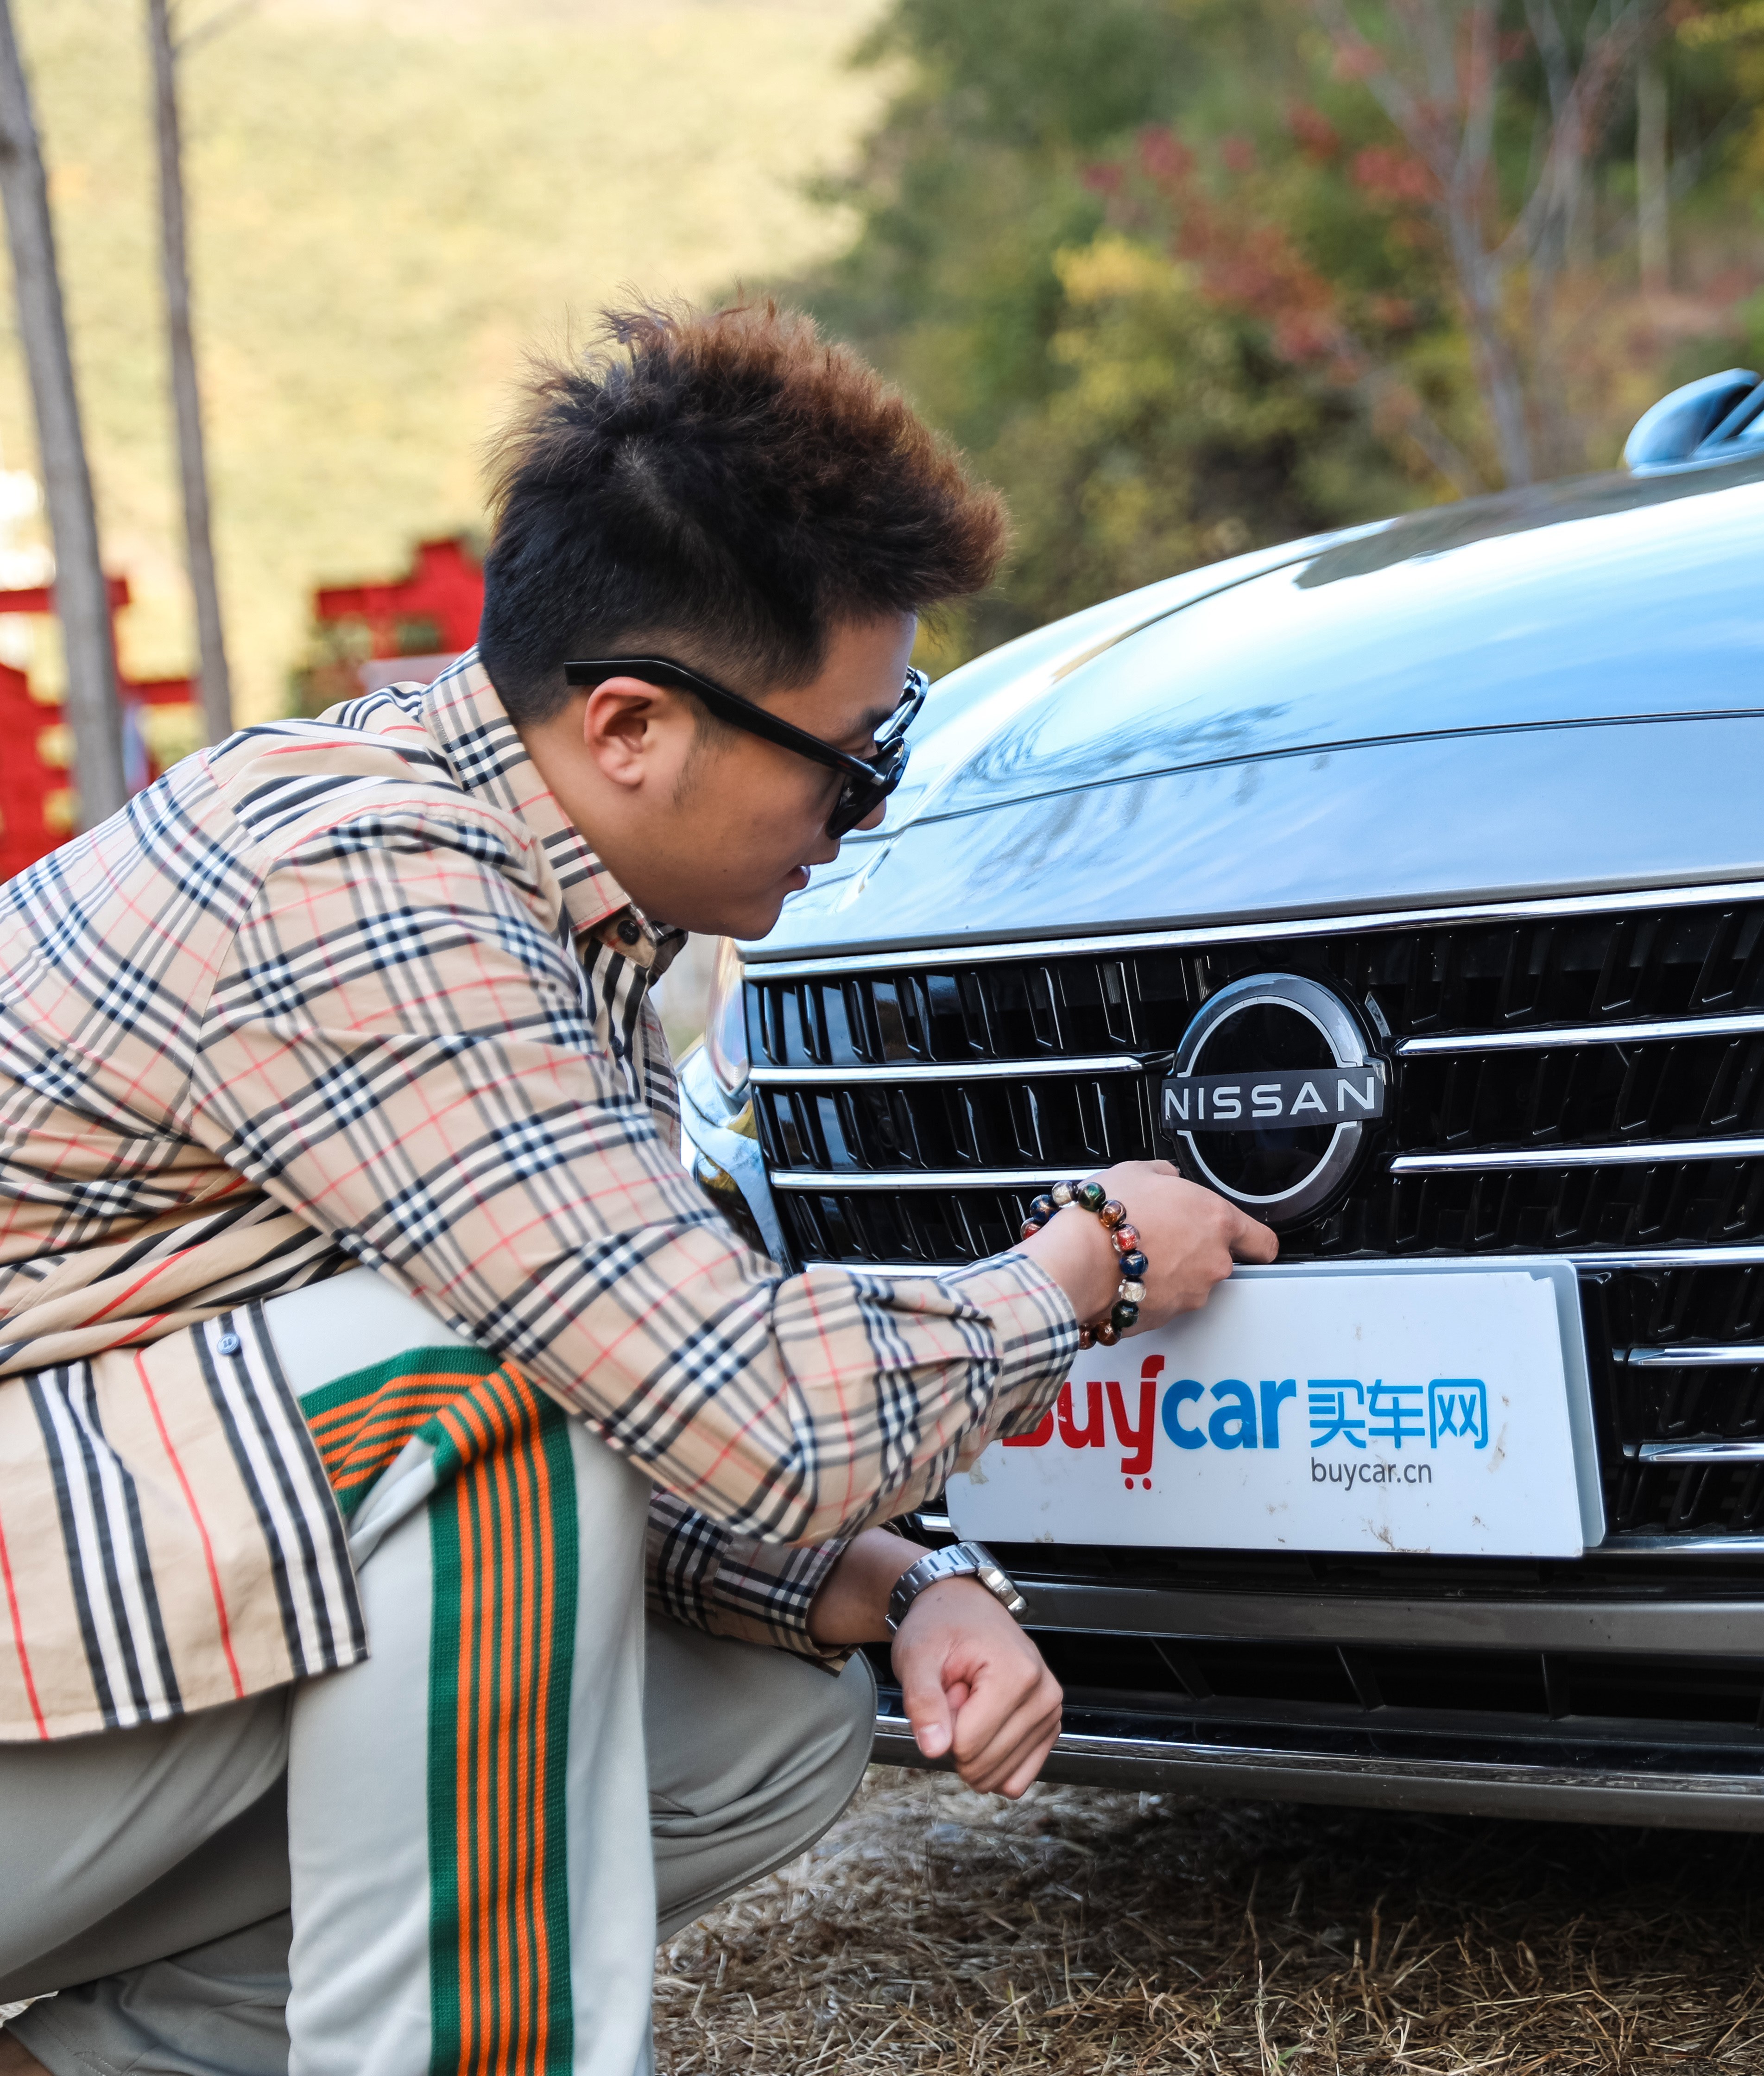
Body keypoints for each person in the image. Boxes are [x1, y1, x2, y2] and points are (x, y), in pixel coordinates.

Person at [0, 302, 1274, 2076]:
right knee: (477, 1392)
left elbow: (627, 1433)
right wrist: (1091, 1263)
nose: (860, 815)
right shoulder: (364, 887)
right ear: (630, 727)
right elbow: (723, 1408)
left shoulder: (545, 910)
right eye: (854, 758)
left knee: (751, 1730)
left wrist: (898, 1586)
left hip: (70, 1673)